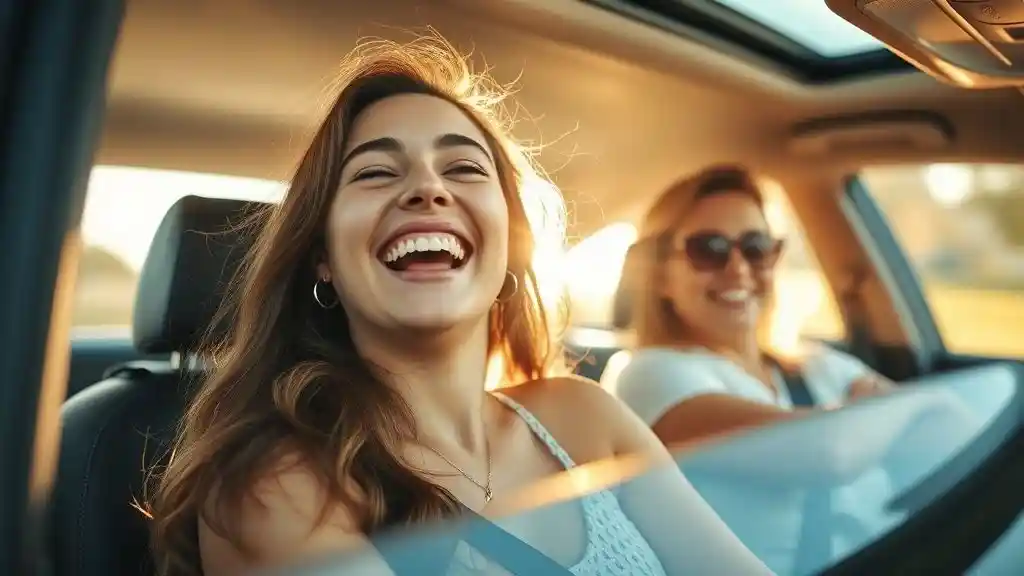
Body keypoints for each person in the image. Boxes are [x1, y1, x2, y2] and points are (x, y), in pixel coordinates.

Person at [147, 35, 773, 576]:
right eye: (374, 174)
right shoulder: (279, 485)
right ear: (324, 258)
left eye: (465, 168)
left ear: (508, 245)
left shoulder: (585, 418)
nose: (426, 188)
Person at [605, 164, 981, 573]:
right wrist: (916, 403)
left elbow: (951, 436)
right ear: (659, 274)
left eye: (756, 247)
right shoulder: (647, 373)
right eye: (708, 249)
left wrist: (877, 416)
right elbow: (826, 452)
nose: (739, 269)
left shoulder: (815, 363)